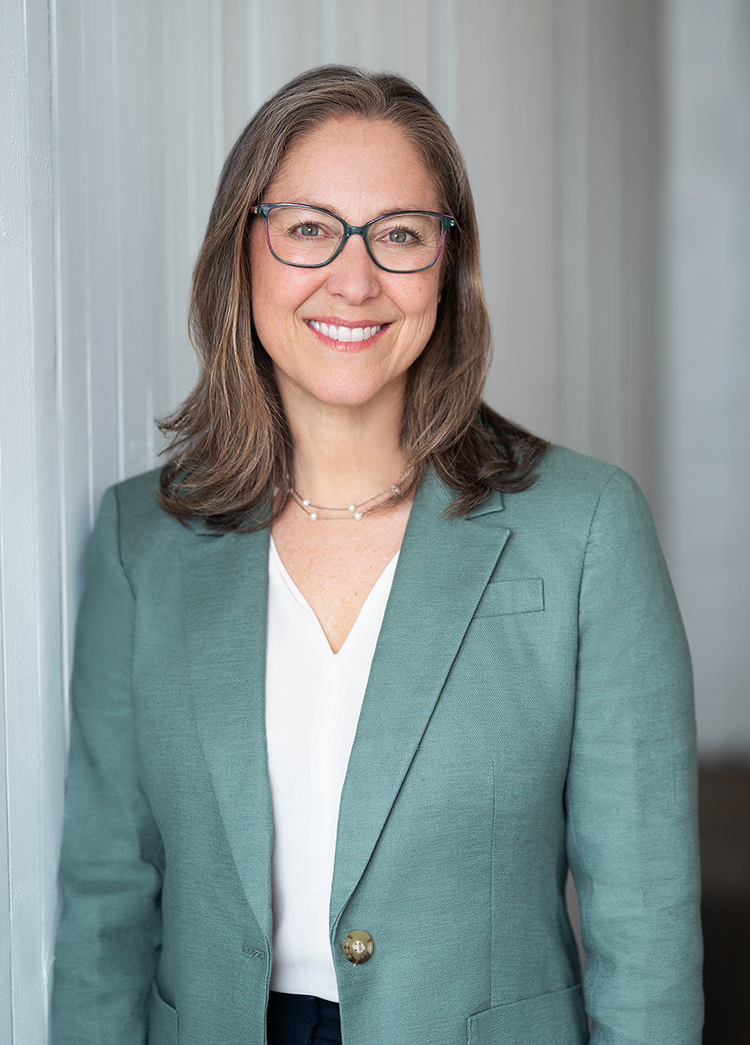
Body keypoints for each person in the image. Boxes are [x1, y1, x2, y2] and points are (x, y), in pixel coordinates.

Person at [52, 65, 703, 1045]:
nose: (353, 280)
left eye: (399, 235)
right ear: (244, 252)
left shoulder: (587, 528)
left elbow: (645, 926)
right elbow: (107, 901)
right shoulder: (139, 539)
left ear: (448, 265)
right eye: (309, 228)